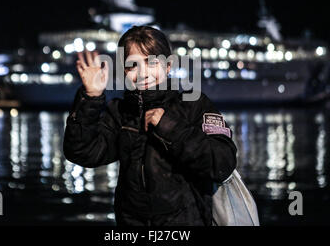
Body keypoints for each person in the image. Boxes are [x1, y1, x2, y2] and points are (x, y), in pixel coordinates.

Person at [63, 25, 237, 226]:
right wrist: (91, 98)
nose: (143, 73)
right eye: (132, 66)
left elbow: (222, 163)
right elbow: (82, 152)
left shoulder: (194, 105)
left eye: (151, 62)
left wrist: (169, 126)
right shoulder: (121, 112)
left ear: (169, 65)